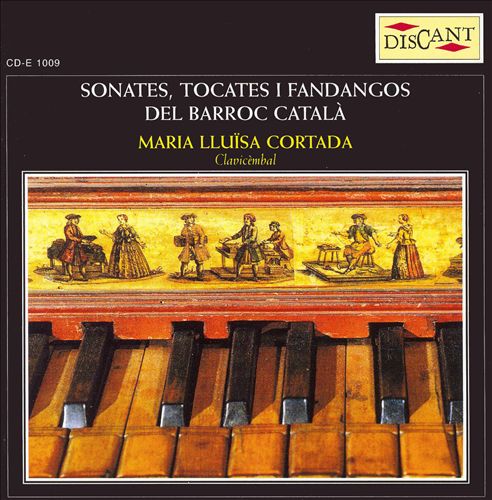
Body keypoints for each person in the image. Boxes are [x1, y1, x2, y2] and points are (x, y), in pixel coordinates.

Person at [100, 214, 151, 279]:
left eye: (121, 219)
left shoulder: (130, 228)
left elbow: (135, 236)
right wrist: (106, 233)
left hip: (130, 245)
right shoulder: (119, 228)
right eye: (119, 220)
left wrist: (141, 243)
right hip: (120, 246)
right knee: (120, 259)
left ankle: (133, 274)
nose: (120, 221)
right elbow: (114, 236)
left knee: (131, 260)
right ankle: (120, 274)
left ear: (125, 219)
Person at [222, 213, 263, 280]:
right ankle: (237, 277)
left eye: (247, 219)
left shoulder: (254, 228)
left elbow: (252, 238)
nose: (245, 220)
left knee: (254, 263)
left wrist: (243, 243)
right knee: (239, 262)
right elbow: (238, 234)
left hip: (252, 247)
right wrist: (230, 237)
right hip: (244, 247)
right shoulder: (244, 227)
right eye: (244, 219)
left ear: (251, 220)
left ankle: (255, 277)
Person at [386, 214, 424, 280]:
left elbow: (398, 238)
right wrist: (395, 233)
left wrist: (390, 243)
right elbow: (404, 234)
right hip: (411, 245)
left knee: (399, 259)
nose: (398, 220)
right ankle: (412, 274)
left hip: (403, 245)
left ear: (404, 219)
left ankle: (403, 276)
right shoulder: (410, 227)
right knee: (410, 259)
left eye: (400, 219)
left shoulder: (401, 228)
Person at [177, 213, 210, 280]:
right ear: (185, 220)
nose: (189, 220)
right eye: (187, 218)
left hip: (197, 245)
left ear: (193, 219)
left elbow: (202, 235)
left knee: (199, 261)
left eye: (190, 218)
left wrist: (201, 243)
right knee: (184, 260)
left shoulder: (197, 227)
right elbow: (182, 234)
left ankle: (200, 276)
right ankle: (182, 275)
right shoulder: (185, 228)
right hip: (188, 246)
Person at [59, 214, 89, 281]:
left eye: (77, 219)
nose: (76, 220)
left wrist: (86, 239)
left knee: (82, 262)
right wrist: (80, 240)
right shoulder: (67, 227)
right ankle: (71, 277)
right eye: (74, 219)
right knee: (69, 262)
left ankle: (84, 275)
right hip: (70, 247)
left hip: (78, 247)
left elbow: (81, 236)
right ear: (70, 220)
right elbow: (70, 237)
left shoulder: (77, 227)